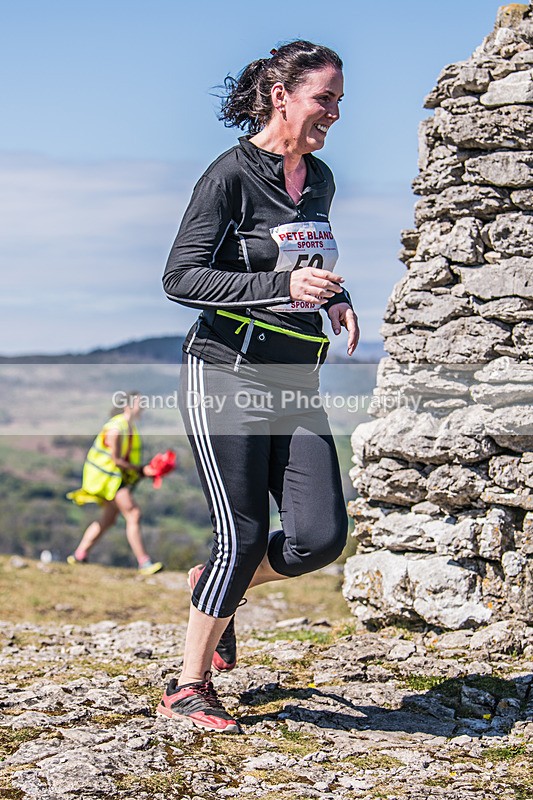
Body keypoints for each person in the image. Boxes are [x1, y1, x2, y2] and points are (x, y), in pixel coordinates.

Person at [157, 41, 359, 733]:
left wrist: (335, 297)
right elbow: (180, 278)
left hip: (294, 377)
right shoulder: (230, 175)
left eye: (337, 100)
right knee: (240, 535)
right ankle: (187, 686)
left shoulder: (321, 177)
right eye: (323, 98)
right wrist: (281, 286)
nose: (335, 111)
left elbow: (307, 257)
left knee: (319, 537)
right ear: (282, 96)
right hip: (226, 371)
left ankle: (212, 583)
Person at [67, 391, 163, 575]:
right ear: (128, 406)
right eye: (139, 403)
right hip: (110, 480)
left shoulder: (128, 427)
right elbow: (117, 460)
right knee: (133, 514)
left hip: (113, 479)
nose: (142, 406)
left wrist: (143, 471)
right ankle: (144, 562)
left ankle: (79, 555)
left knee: (108, 519)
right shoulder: (116, 428)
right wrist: (142, 470)